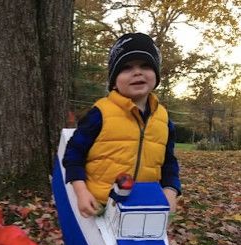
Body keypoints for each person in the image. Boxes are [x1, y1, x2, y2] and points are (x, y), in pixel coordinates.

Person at [63, 32, 181, 218]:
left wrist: (171, 190)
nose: (137, 72)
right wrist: (81, 191)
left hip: (143, 206)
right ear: (114, 81)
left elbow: (169, 162)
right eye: (126, 68)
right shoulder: (100, 113)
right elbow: (73, 154)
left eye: (145, 65)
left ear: (156, 74)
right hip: (99, 202)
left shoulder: (164, 119)